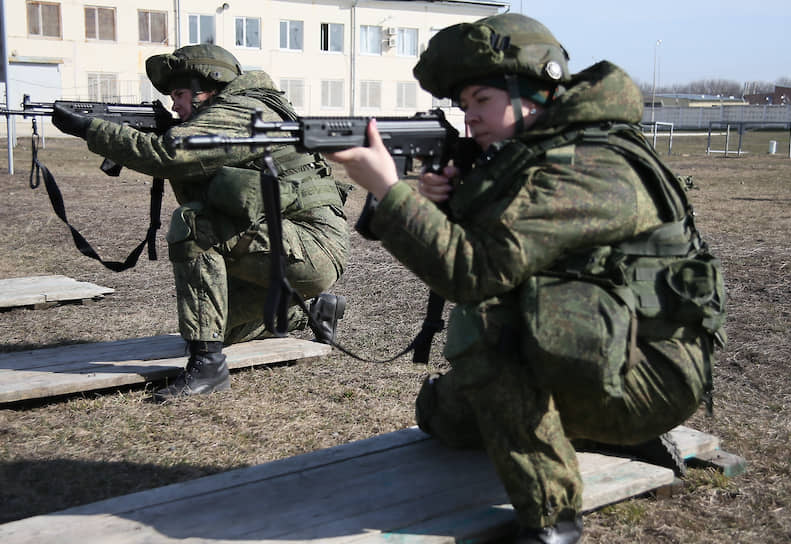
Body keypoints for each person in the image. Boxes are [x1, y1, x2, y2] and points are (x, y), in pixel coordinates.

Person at [327, 13, 725, 544]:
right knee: (443, 417)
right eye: (463, 105)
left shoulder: (586, 164)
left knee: (484, 324)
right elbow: (488, 249)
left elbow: (473, 274)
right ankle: (592, 429)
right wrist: (424, 199)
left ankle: (551, 521)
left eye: (481, 100)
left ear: (533, 92)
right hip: (602, 348)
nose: (470, 118)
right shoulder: (533, 156)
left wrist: (390, 190)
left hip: (648, 374)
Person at [51, 44, 350, 401]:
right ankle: (311, 312)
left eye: (178, 94)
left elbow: (168, 155)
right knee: (211, 325)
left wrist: (91, 129)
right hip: (294, 249)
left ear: (208, 88)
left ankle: (208, 368)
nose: (174, 105)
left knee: (194, 224)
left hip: (308, 248)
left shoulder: (240, 110)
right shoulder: (246, 107)